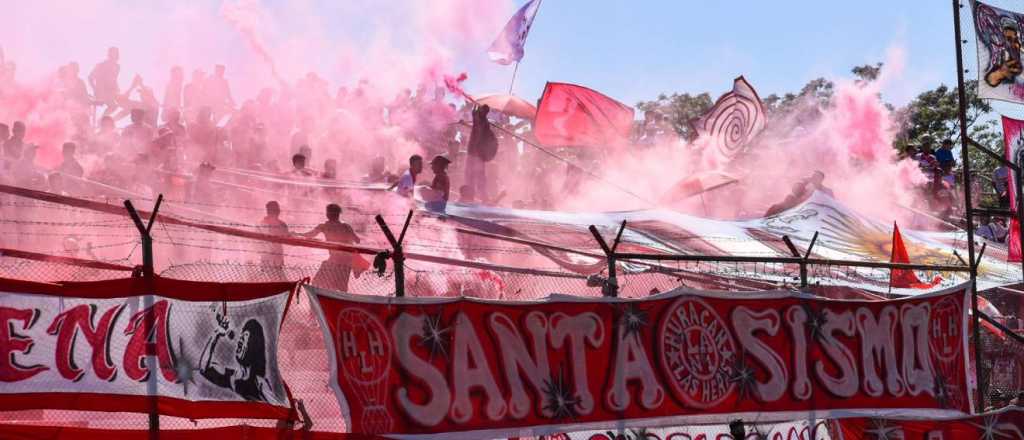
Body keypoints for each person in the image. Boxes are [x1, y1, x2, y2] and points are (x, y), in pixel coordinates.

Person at [199, 313, 272, 403]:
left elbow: (274, 405)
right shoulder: (233, 377)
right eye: (241, 337)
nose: (240, 340)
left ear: (254, 346)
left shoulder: (260, 383)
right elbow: (204, 368)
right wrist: (216, 333)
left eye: (245, 338)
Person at [299, 203, 361, 292]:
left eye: (328, 212)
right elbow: (357, 240)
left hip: (336, 260)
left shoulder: (324, 226)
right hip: (347, 261)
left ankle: (326, 302)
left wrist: (296, 234)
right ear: (338, 214)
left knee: (318, 282)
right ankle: (338, 302)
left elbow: (309, 235)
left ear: (328, 214)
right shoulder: (346, 226)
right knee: (341, 288)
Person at [465, 104, 497, 200]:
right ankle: (475, 196)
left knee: (476, 176)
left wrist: (474, 114)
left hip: (476, 153)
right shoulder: (482, 121)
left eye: (480, 109)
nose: (479, 110)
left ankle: (481, 196)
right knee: (473, 176)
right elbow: (475, 126)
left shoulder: (482, 122)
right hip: (475, 153)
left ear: (483, 112)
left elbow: (477, 127)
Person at [259, 201, 289, 280]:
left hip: (277, 257)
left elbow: (287, 236)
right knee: (277, 281)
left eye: (277, 209)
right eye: (275, 209)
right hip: (268, 258)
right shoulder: (263, 223)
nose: (278, 211)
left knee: (278, 280)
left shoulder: (282, 224)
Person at [89, 47, 120, 118]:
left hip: (112, 92)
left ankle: (104, 120)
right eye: (112, 53)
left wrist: (117, 90)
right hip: (102, 92)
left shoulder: (117, 67)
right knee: (114, 106)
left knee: (122, 103)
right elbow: (90, 77)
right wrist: (95, 89)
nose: (113, 55)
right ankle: (102, 120)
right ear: (109, 54)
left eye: (115, 53)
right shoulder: (101, 65)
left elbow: (114, 80)